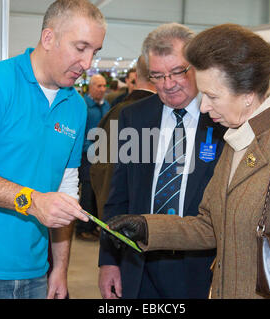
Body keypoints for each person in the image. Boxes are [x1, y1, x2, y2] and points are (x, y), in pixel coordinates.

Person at [106, 23, 270, 299]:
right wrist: (148, 227)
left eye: (212, 96)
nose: (203, 107)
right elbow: (210, 225)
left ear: (248, 93)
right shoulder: (237, 140)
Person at [0, 0, 106, 299]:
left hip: (34, 273)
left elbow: (66, 190)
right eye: (80, 48)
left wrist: (60, 269)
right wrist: (32, 200)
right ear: (48, 38)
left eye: (94, 52)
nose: (87, 63)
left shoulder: (75, 106)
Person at [98, 23, 226, 299]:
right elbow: (118, 196)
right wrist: (109, 260)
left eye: (177, 72)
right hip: (139, 264)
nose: (168, 85)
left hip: (201, 267)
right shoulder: (135, 118)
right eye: (157, 76)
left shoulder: (222, 120)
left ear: (197, 66)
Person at [90, 55, 156, 220]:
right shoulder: (162, 114)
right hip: (151, 222)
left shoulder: (116, 111)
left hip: (114, 214)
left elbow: (100, 168)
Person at [76, 74, 110, 241]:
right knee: (88, 194)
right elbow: (79, 134)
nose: (102, 89)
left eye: (104, 86)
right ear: (90, 87)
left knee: (98, 193)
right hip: (87, 157)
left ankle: (93, 226)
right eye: (99, 86)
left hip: (102, 157)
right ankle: (82, 227)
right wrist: (91, 149)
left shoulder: (106, 106)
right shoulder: (83, 106)